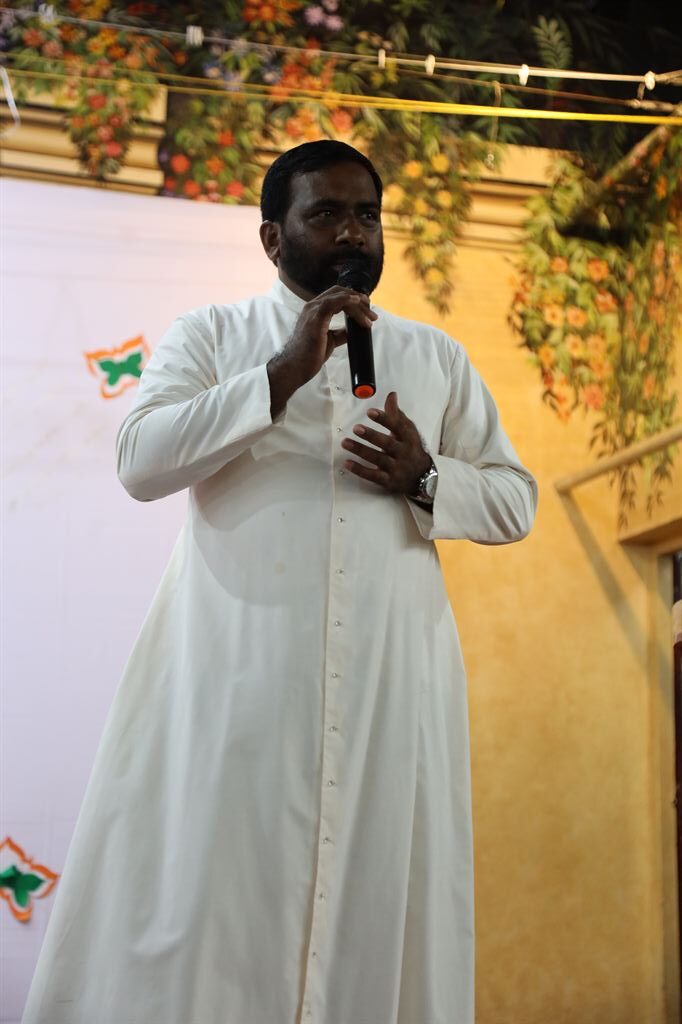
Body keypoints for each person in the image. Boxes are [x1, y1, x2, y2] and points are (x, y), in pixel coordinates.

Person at [22, 139, 538, 1024]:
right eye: (327, 214)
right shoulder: (212, 336)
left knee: (375, 899)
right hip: (238, 685)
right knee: (217, 911)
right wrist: (280, 376)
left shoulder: (435, 357)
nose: (353, 235)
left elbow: (514, 501)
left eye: (367, 216)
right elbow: (140, 461)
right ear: (272, 236)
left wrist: (426, 476)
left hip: (386, 690)